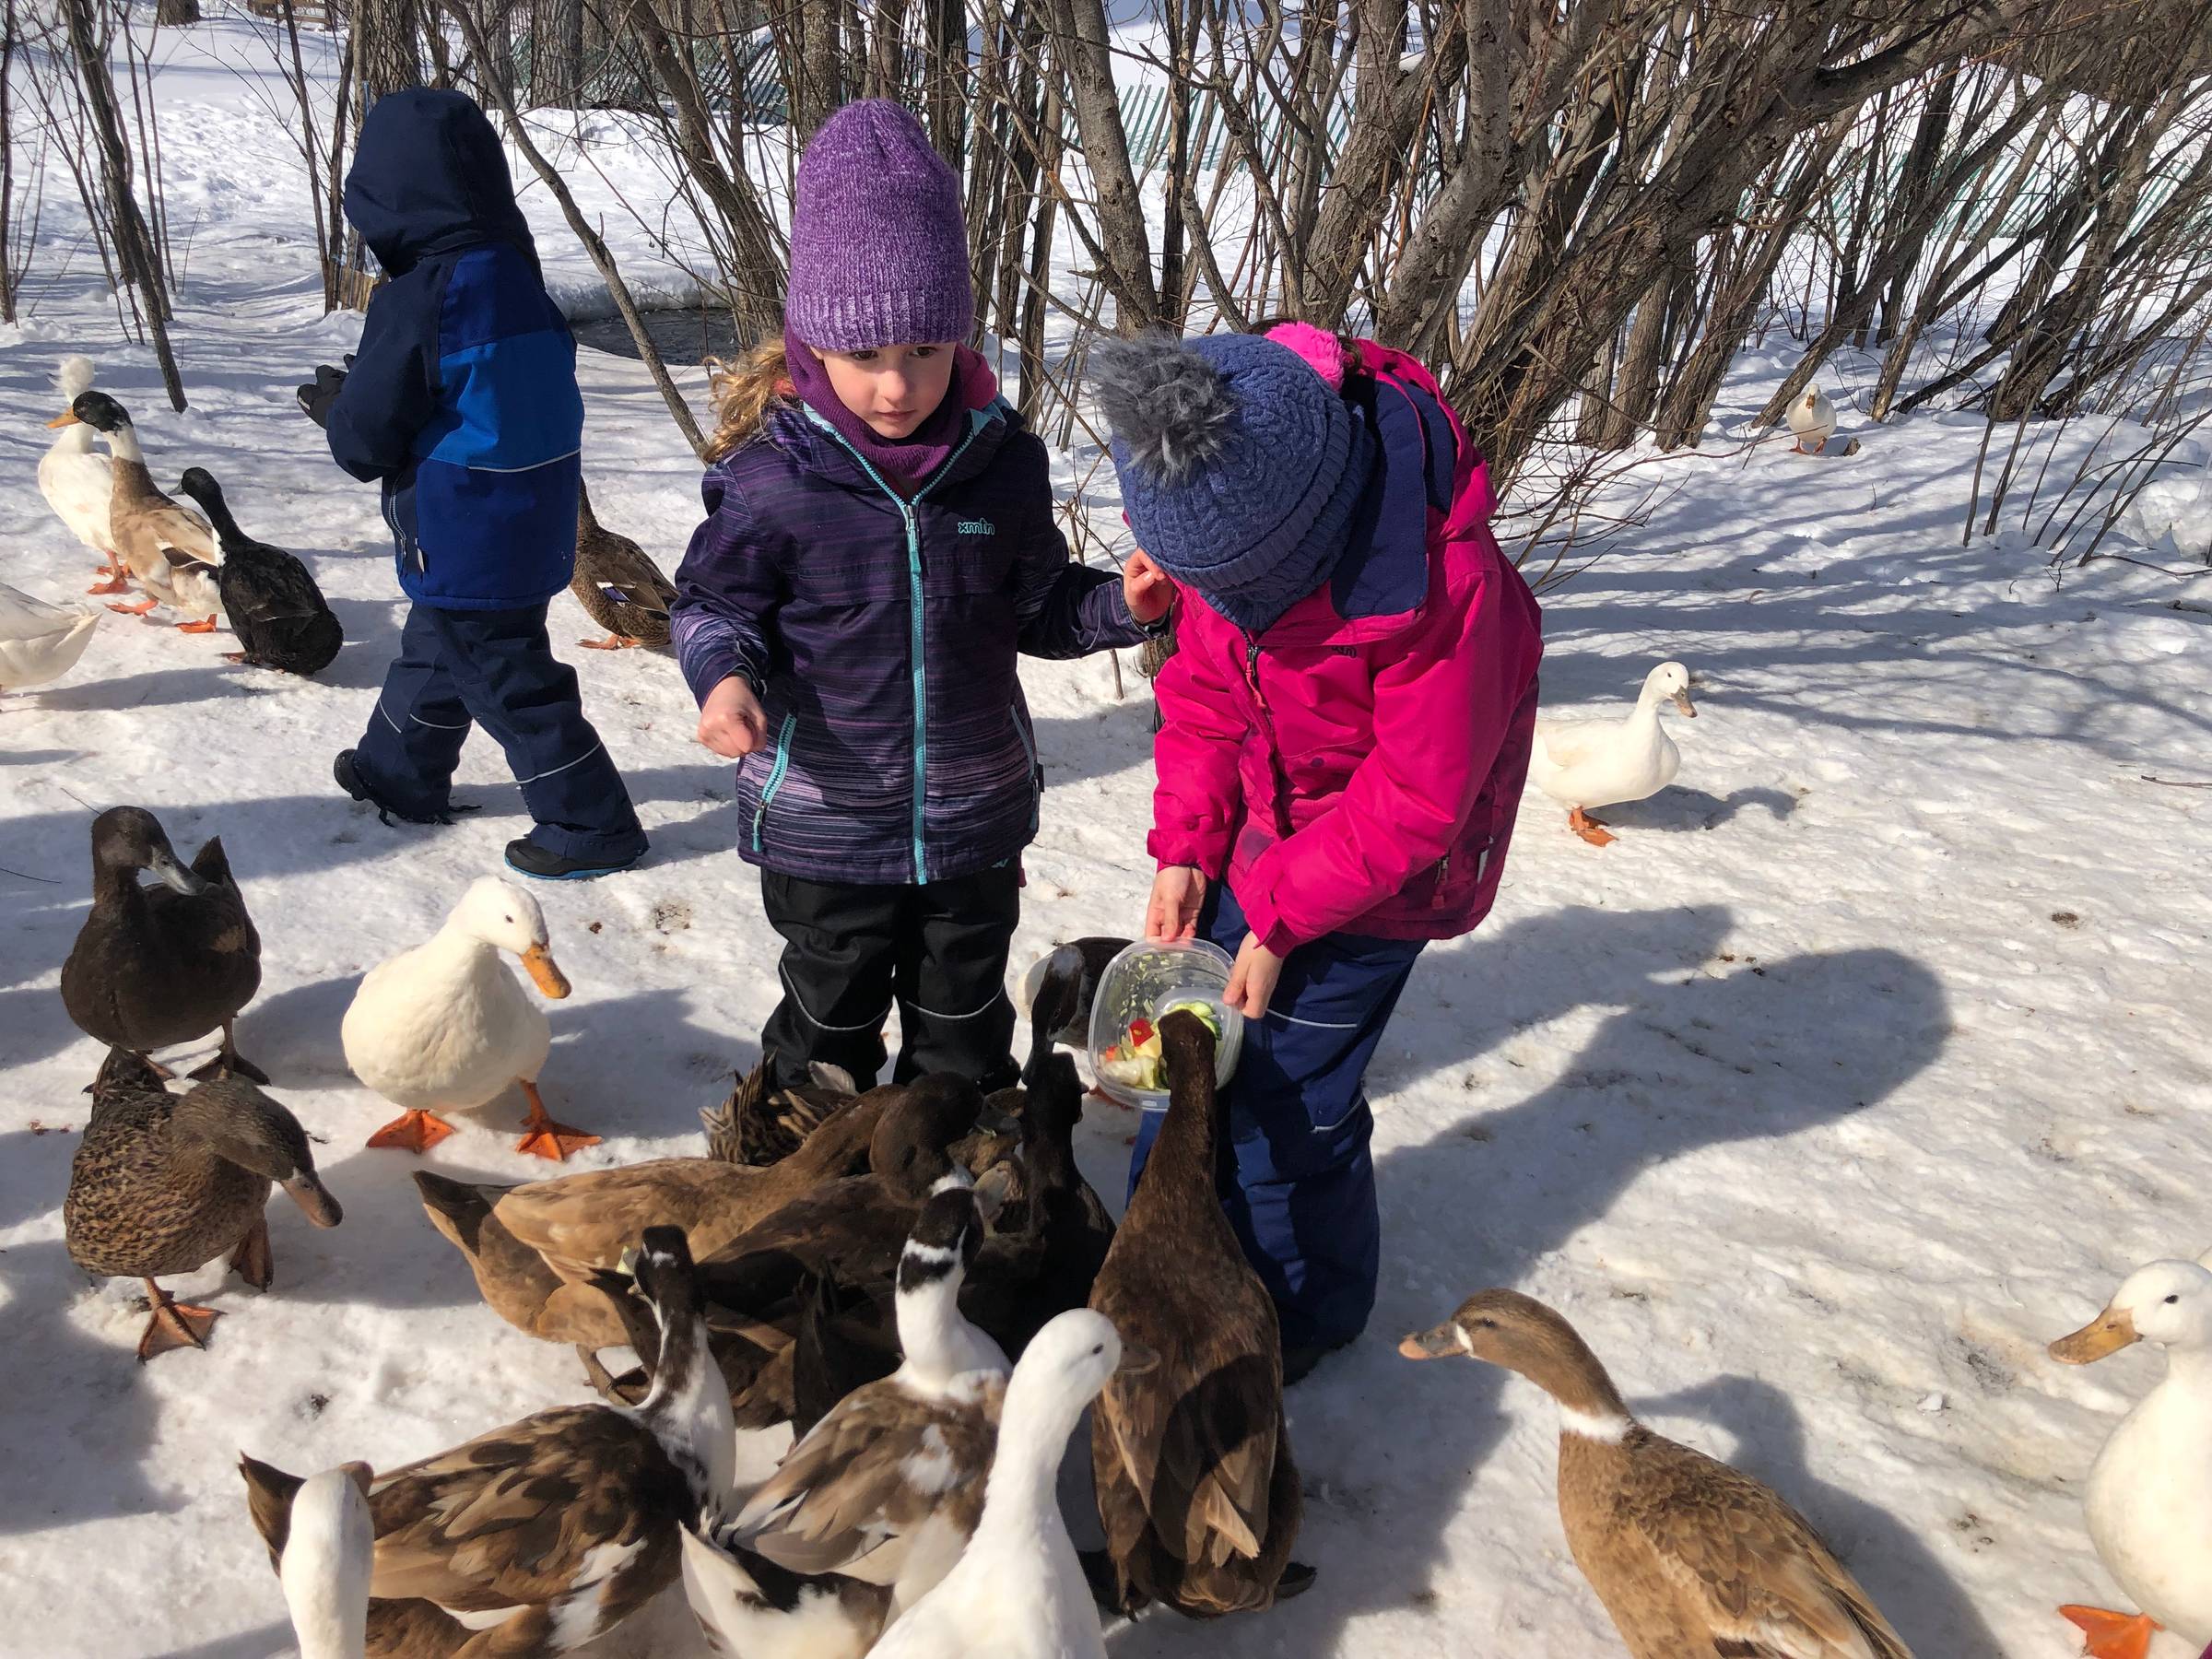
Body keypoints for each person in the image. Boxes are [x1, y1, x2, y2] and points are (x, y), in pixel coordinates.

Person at [671, 100, 1171, 1093]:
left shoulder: (1003, 465)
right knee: (830, 1020)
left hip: (973, 817)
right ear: (813, 344)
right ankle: (805, 1176)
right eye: (865, 358)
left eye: (925, 352)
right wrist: (723, 679)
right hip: (824, 815)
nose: (897, 386)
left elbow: (1036, 605)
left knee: (964, 1022)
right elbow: (710, 606)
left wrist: (1126, 608)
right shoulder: (773, 478)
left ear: (960, 340)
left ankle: (954, 1180)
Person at [1092, 322, 1544, 1382]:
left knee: (1289, 1097)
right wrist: (1189, 849)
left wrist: (1285, 913)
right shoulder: (1230, 531)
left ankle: (1300, 1313)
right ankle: (1162, 1252)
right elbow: (1204, 699)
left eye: (1248, 597)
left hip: (1388, 884)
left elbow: (1419, 797)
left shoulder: (1446, 593)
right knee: (1198, 1056)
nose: (1228, 613)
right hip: (1268, 836)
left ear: (1309, 541)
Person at [298, 88, 648, 882]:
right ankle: (396, 769)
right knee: (440, 645)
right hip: (531, 517)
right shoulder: (518, 279)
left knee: (508, 679)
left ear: (384, 197)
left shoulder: (420, 296)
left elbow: (364, 442)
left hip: (466, 528)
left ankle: (592, 823)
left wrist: (337, 408)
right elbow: (481, 396)